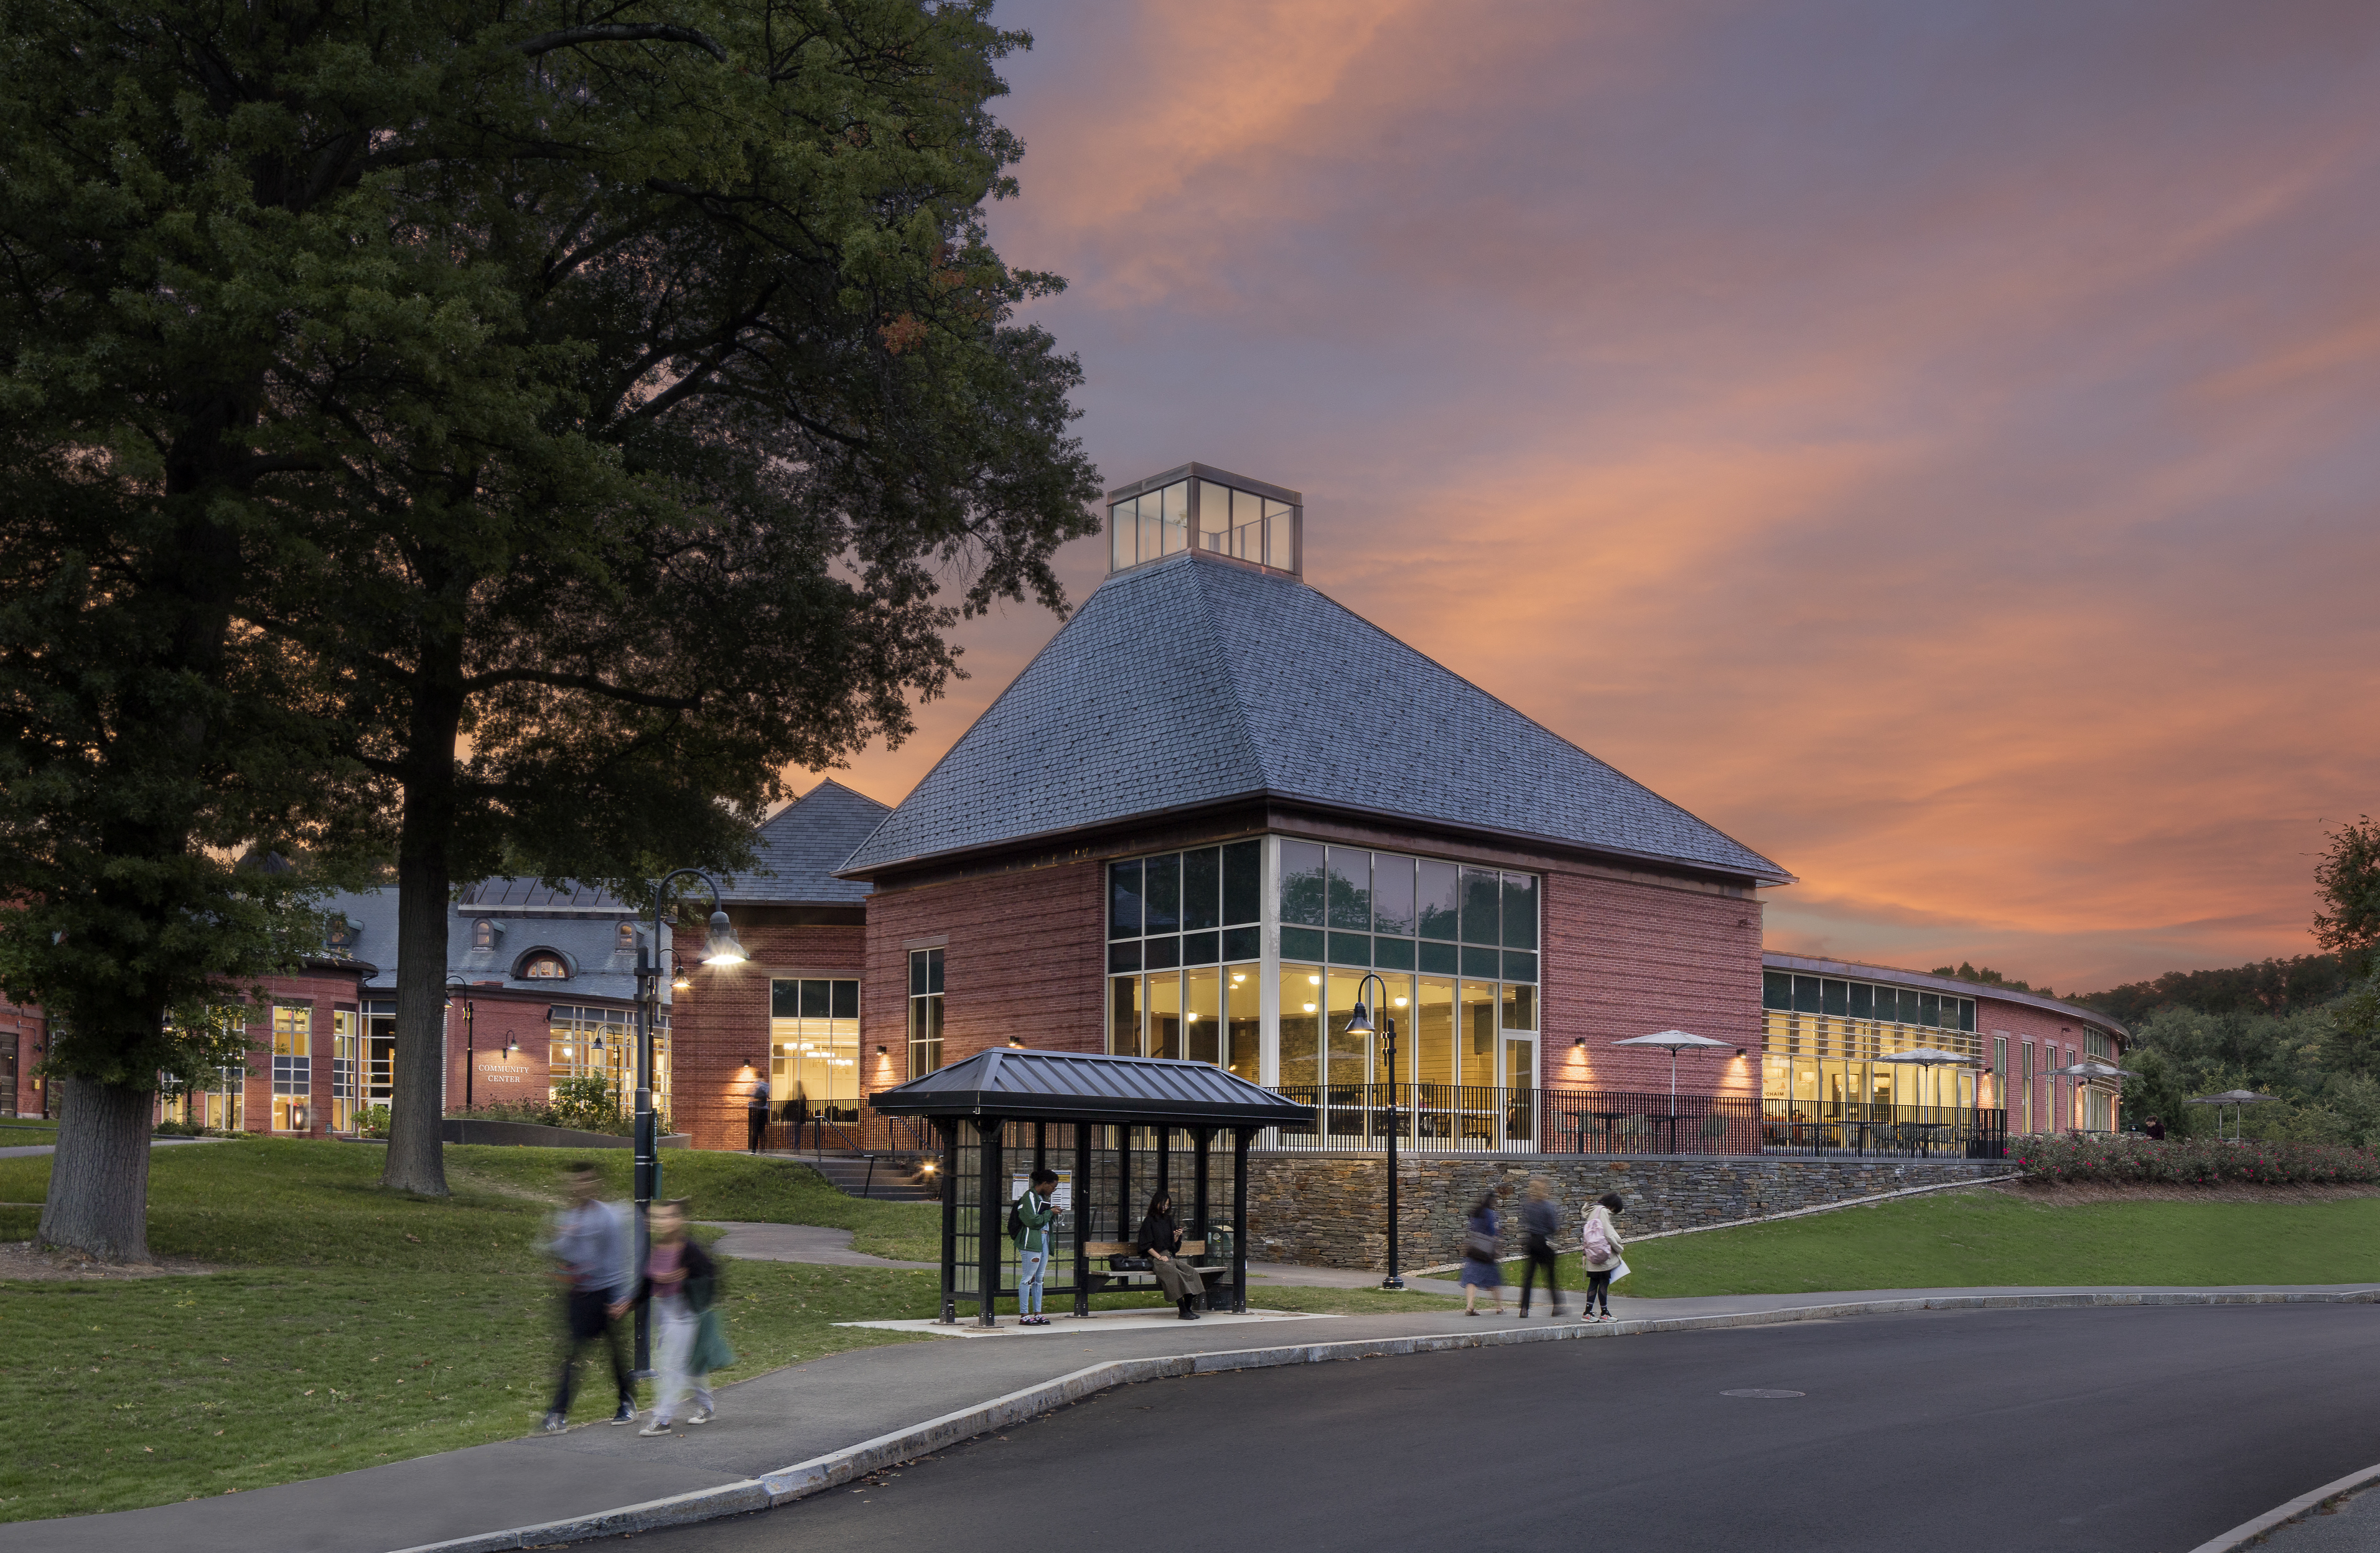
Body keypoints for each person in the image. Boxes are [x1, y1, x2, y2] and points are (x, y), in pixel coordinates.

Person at [543, 1162, 637, 1432]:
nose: (579, 1186)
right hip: (580, 1294)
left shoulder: (608, 1217)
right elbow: (560, 1253)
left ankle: (626, 1403)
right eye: (575, 1181)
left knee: (615, 1353)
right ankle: (558, 1412)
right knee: (572, 1352)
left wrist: (622, 1297)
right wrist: (562, 1238)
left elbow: (621, 1257)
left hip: (606, 1292)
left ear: (596, 1185)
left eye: (586, 1181)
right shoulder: (569, 1217)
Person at [635, 1200, 730, 1435]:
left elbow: (711, 1277)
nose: (661, 1222)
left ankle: (663, 1419)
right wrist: (624, 1304)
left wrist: (684, 1279)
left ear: (679, 1220)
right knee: (690, 1366)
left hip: (686, 1314)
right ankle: (707, 1407)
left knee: (670, 1367)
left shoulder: (689, 1250)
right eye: (657, 1217)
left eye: (667, 1217)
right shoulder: (657, 1248)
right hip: (665, 1313)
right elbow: (646, 1284)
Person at [1137, 1187, 1205, 1320]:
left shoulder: (1169, 1220)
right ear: (1156, 1203)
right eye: (1163, 1204)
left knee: (1191, 1272)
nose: (1165, 1207)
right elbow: (1144, 1245)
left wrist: (1177, 1236)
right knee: (1175, 1275)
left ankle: (1188, 1309)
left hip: (1170, 1257)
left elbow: (1173, 1246)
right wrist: (1159, 1257)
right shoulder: (1149, 1221)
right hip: (1156, 1258)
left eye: (1168, 1205)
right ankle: (1183, 1310)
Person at [1012, 1167, 1060, 1326]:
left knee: (1039, 1279)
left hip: (1044, 1239)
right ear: (1045, 1183)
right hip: (1031, 1242)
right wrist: (1050, 1213)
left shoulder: (1040, 1198)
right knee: (1028, 1278)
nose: (1053, 1190)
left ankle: (1038, 1313)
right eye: (1053, 1187)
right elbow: (1032, 1221)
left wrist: (1051, 1213)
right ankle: (1024, 1314)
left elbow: (1042, 1219)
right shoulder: (1029, 1197)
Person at [1518, 1177, 1564, 1317]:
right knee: (1550, 1276)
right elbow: (1553, 1227)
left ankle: (1524, 1308)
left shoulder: (1528, 1205)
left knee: (1529, 1277)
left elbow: (1523, 1221)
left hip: (1532, 1241)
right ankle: (1556, 1306)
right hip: (1545, 1243)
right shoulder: (1548, 1206)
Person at [1581, 1192, 1626, 1323]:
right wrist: (1619, 1247)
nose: (1612, 1212)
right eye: (1614, 1209)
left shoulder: (1592, 1210)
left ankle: (1587, 1313)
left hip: (1592, 1251)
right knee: (1604, 1282)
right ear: (1611, 1205)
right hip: (1603, 1253)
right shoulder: (1603, 1211)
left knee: (1594, 1282)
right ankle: (1604, 1313)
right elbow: (1608, 1234)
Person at [1460, 1188, 1505, 1316]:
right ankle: (1499, 1307)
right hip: (1486, 1252)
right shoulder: (1491, 1214)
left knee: (1471, 1280)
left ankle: (1470, 1307)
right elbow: (1492, 1231)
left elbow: (1471, 1227)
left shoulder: (1475, 1212)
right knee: (1493, 1279)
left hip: (1474, 1250)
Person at [745, 1066, 772, 1152]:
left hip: (754, 1109)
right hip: (764, 1109)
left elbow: (748, 1094)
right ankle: (763, 1149)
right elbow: (767, 1094)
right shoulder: (767, 1085)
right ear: (762, 1077)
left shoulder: (753, 1085)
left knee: (754, 1130)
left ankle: (753, 1149)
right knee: (762, 1130)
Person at [783, 1084, 810, 1154]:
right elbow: (804, 1106)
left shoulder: (793, 1094)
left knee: (793, 1133)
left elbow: (787, 1105)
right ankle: (795, 1147)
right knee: (795, 1133)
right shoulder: (801, 1095)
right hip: (797, 1117)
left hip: (794, 1117)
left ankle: (794, 1147)